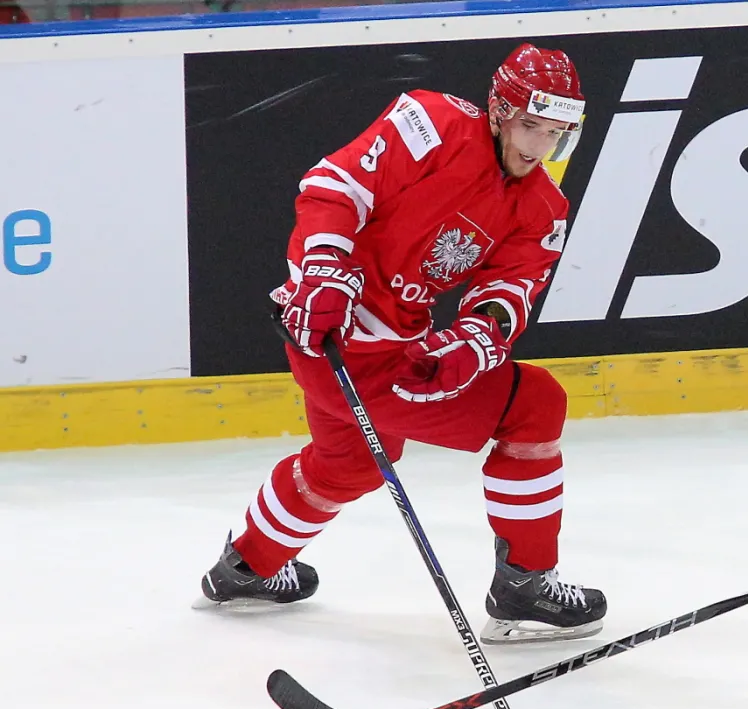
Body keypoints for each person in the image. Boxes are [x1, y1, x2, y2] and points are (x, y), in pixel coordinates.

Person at [199, 43, 605, 645]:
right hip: (331, 330)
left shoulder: (544, 207)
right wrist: (323, 269)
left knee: (352, 463)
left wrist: (473, 340)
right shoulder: (431, 124)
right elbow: (336, 187)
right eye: (529, 126)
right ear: (499, 112)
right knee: (535, 403)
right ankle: (525, 583)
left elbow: (509, 290)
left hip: (376, 350)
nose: (538, 146)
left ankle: (247, 567)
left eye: (554, 133)